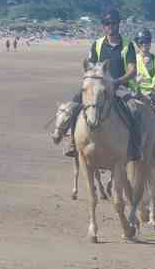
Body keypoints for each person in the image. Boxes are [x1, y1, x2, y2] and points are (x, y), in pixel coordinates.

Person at [52, 9, 140, 161]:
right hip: (98, 86)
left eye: (113, 23)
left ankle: (134, 146)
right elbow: (90, 66)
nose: (110, 26)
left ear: (118, 24)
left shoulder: (127, 45)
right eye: (107, 23)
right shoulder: (97, 44)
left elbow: (133, 71)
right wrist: (91, 82)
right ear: (103, 26)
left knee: (134, 109)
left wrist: (117, 81)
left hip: (120, 86)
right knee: (74, 104)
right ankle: (72, 142)